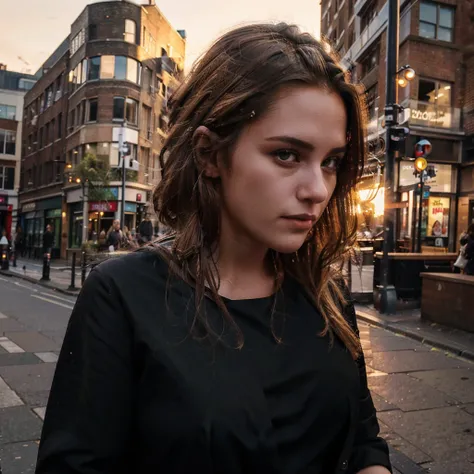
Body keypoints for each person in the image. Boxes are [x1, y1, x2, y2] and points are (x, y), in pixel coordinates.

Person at [36, 23, 392, 474]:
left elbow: (363, 438)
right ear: (209, 154)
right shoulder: (124, 296)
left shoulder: (326, 294)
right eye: (287, 155)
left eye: (331, 162)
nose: (317, 189)